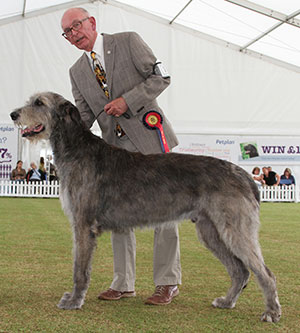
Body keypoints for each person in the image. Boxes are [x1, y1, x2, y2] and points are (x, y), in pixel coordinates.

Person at [61, 7, 181, 305]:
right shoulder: (76, 71)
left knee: (165, 210)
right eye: (67, 33)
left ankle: (167, 282)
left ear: (92, 23)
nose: (73, 35)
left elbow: (160, 78)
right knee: (117, 215)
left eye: (76, 27)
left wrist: (127, 101)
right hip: (113, 152)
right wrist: (57, 124)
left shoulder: (128, 41)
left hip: (151, 138)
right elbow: (84, 117)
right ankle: (124, 282)